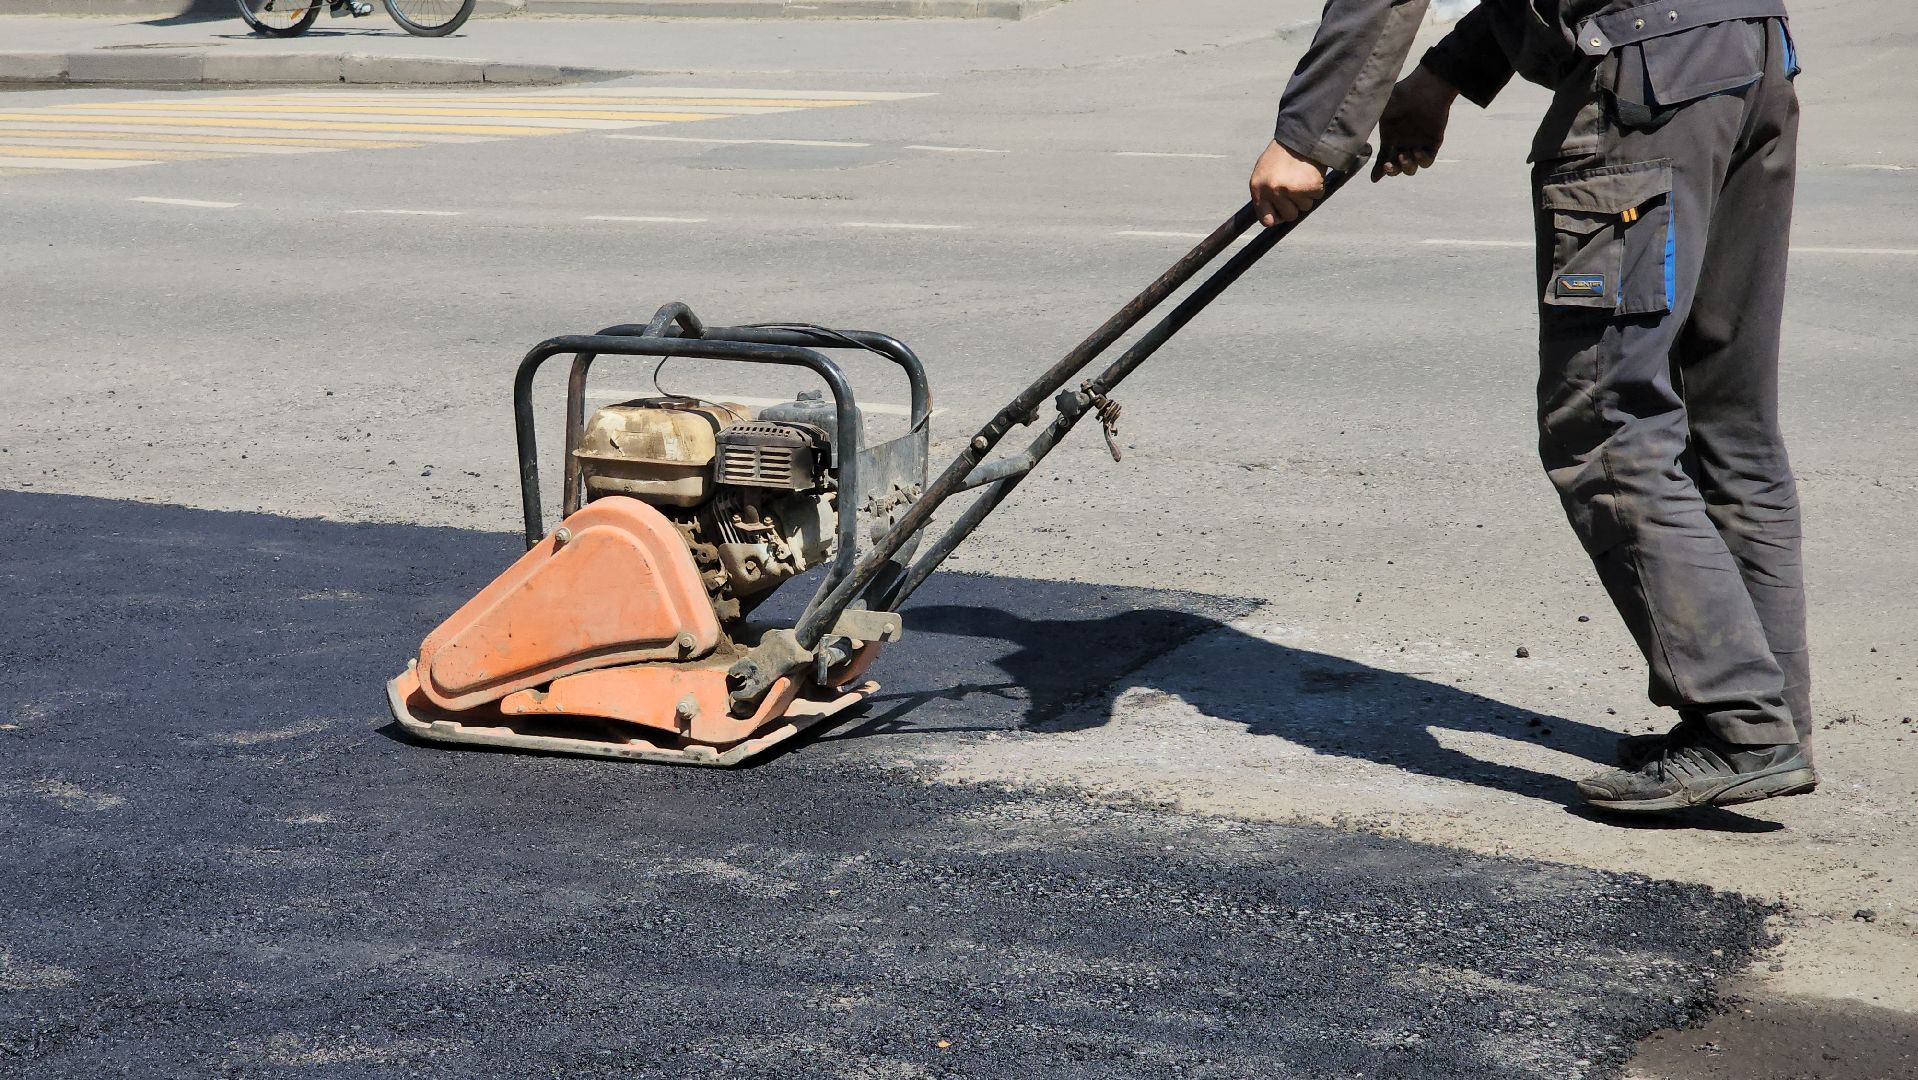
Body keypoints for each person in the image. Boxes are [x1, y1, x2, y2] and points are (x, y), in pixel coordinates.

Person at [1249, 0, 1816, 813]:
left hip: (1644, 87)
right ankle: (1770, 715)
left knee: (1606, 419)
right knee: (1728, 420)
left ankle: (1741, 724)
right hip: (1748, 54)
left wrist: (1309, 137)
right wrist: (1448, 75)